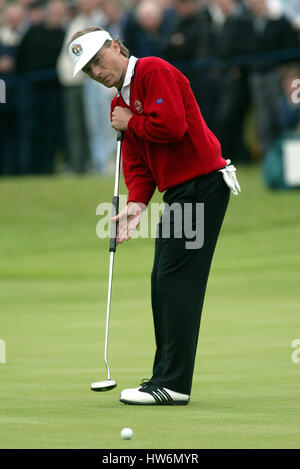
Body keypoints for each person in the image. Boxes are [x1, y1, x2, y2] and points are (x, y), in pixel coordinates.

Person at [67, 26, 241, 405]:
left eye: (99, 60)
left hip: (202, 184)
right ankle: (164, 377)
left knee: (176, 280)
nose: (98, 72)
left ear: (116, 47)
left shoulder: (153, 71)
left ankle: (174, 384)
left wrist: (132, 123)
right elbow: (138, 162)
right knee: (163, 280)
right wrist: (136, 203)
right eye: (89, 70)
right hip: (180, 191)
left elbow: (173, 127)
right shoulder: (119, 105)